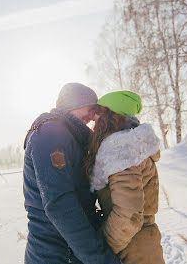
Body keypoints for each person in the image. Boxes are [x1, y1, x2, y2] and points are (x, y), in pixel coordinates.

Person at [23, 83, 122, 264]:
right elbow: (60, 205)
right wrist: (101, 259)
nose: (93, 115)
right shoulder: (50, 133)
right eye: (90, 107)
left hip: (70, 252)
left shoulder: (71, 137)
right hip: (54, 255)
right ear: (73, 104)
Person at [84, 90, 165, 264]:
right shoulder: (134, 147)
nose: (94, 119)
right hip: (143, 245)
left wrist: (101, 246)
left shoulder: (122, 150)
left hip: (131, 249)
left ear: (110, 117)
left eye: (99, 113)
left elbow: (130, 215)